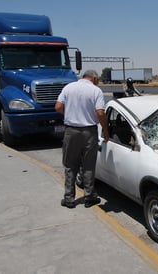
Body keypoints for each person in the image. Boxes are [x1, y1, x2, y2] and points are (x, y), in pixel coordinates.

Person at [55, 69, 109, 209]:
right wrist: (106, 130)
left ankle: (69, 199)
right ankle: (89, 197)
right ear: (94, 78)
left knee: (70, 165)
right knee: (88, 166)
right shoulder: (95, 91)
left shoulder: (68, 87)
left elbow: (58, 107)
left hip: (71, 131)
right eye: (98, 80)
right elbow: (100, 113)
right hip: (89, 132)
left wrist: (71, 114)